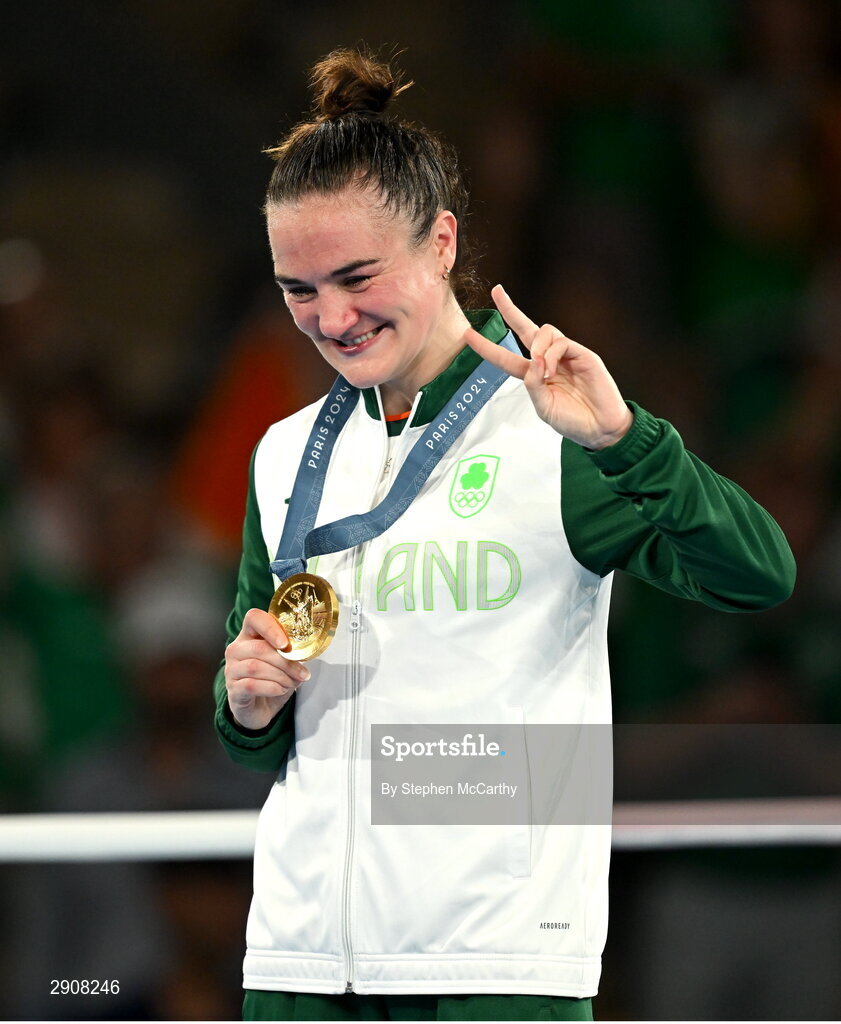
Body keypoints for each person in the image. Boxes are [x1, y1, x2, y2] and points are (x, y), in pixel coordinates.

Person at [214, 48, 796, 1022]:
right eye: (297, 289)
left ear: (441, 242)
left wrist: (628, 442)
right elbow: (257, 743)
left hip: (498, 965)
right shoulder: (281, 456)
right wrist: (248, 706)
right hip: (299, 962)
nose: (332, 318)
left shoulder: (554, 428)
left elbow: (758, 573)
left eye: (357, 276)